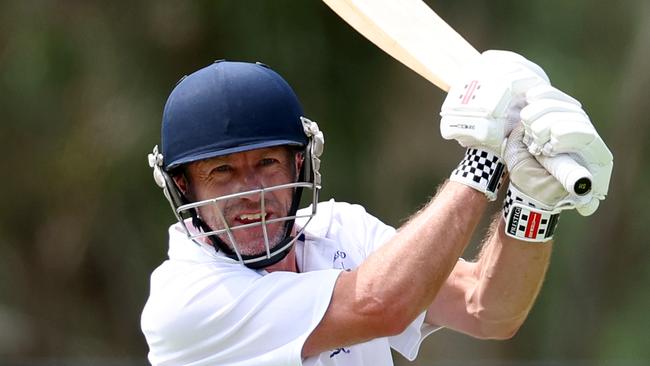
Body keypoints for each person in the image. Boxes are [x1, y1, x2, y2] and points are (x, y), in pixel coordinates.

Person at [141, 53, 613, 366]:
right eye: (221, 172)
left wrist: (532, 203)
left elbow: (486, 309)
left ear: (300, 162)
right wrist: (485, 156)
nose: (252, 191)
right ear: (183, 186)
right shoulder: (182, 303)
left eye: (267, 163)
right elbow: (378, 305)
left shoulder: (342, 229)